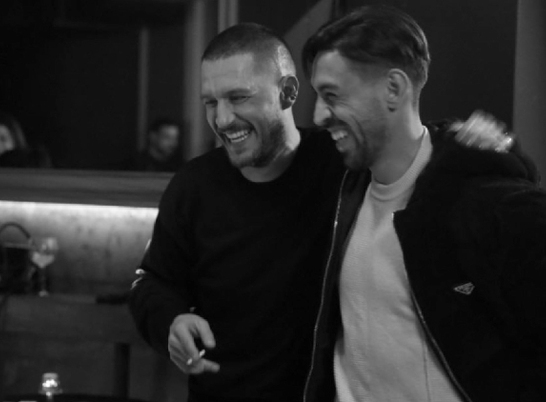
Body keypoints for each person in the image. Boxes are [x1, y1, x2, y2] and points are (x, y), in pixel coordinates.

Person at [129, 22, 513, 402]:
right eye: (210, 103)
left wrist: (470, 143)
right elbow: (152, 282)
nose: (223, 119)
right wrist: (171, 321)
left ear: (288, 92)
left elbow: (403, 142)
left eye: (238, 97)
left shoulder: (342, 163)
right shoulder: (193, 186)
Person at [301, 5, 546, 402]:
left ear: (394, 89)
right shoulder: (340, 190)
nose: (318, 115)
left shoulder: (486, 204)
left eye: (332, 95)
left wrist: (506, 155)